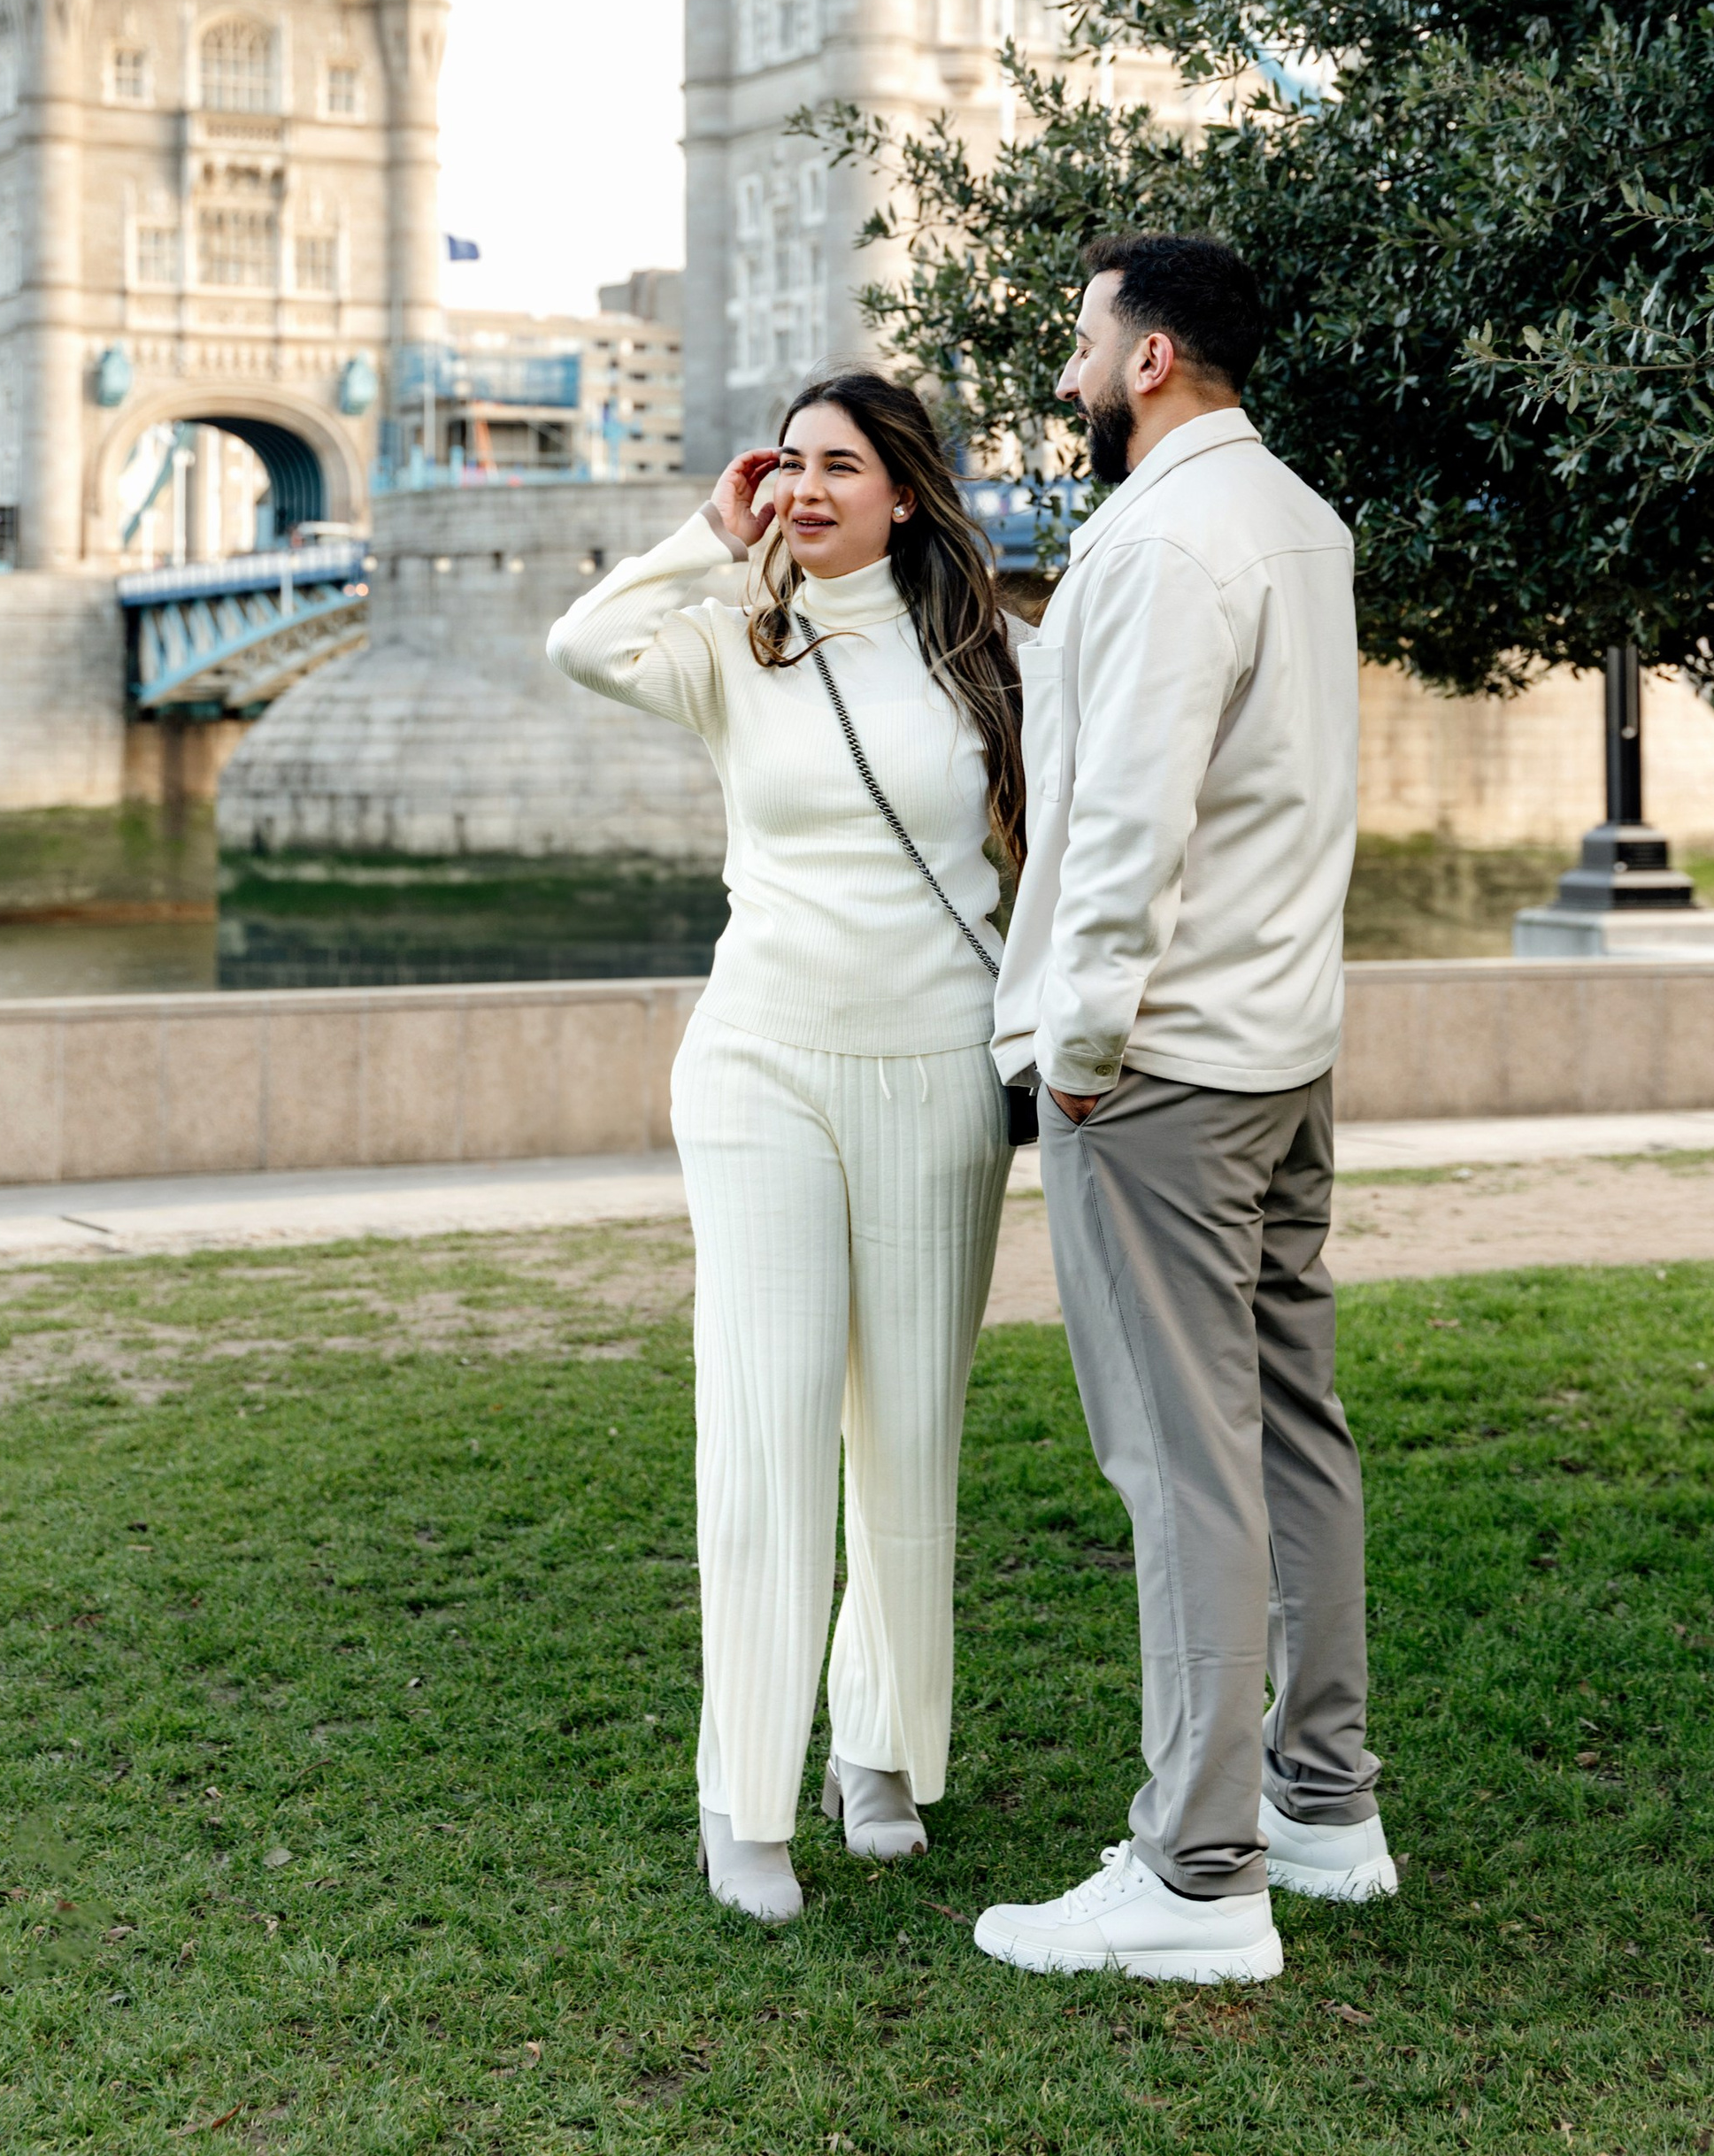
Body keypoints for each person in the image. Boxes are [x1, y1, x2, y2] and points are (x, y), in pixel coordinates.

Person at [546, 372, 1023, 1927]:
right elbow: (579, 642)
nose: (806, 490)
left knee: (907, 1433)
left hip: (938, 1070)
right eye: (788, 465)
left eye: (840, 467)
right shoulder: (733, 639)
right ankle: (742, 1794)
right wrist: (702, 530)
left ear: (907, 489)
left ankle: (879, 1750)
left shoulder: (992, 660)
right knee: (763, 1431)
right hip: (759, 1066)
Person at [972, 232, 1392, 1988]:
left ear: (1148, 358)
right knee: (1288, 1425)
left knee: (1177, 1461)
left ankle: (1197, 1872)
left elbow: (1123, 823)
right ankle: (1320, 1798)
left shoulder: (1155, 536)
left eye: (1081, 342)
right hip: (1280, 1045)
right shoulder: (1297, 518)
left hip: (1158, 1068)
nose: (1066, 373)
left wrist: (1072, 1050)